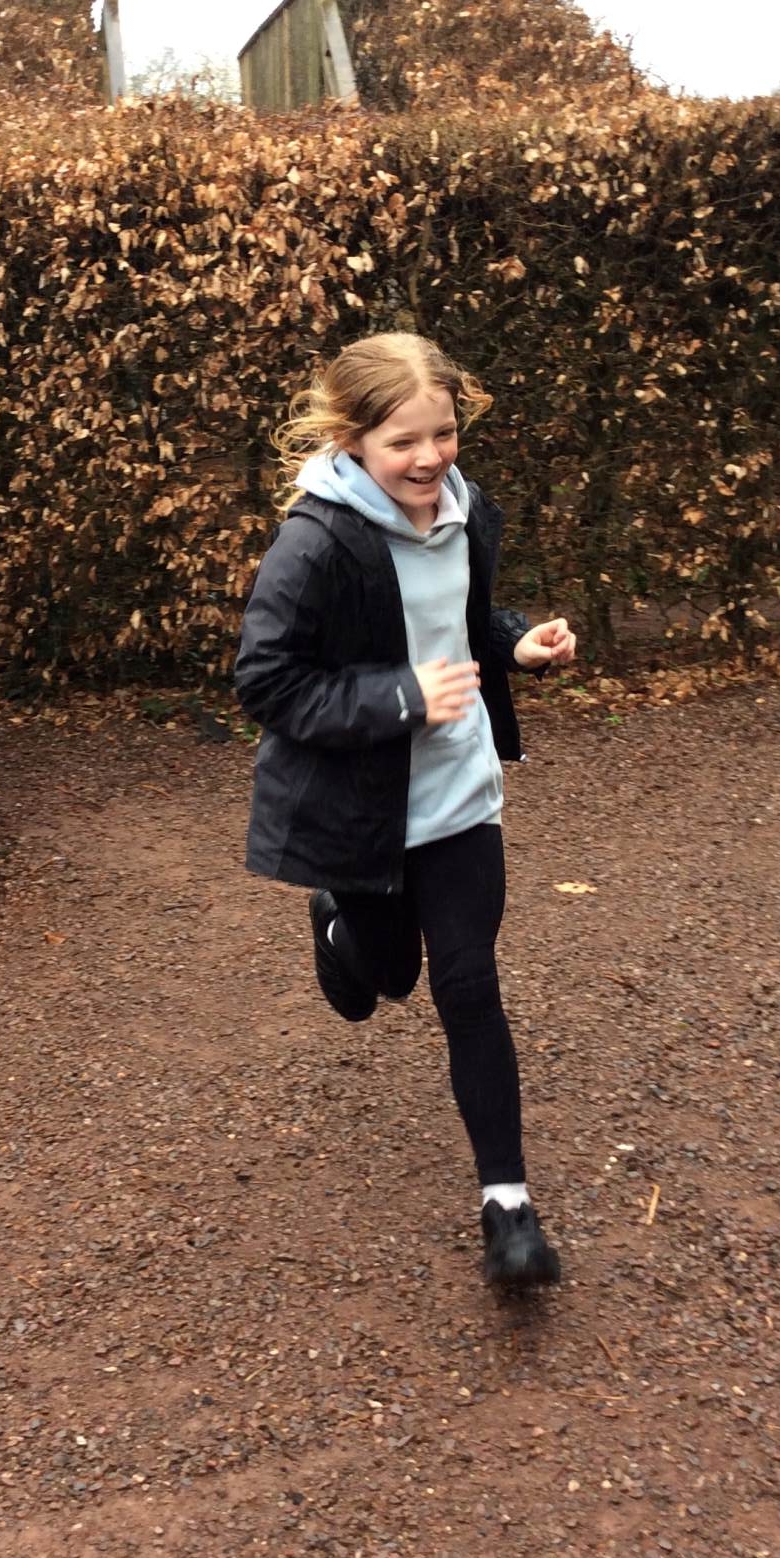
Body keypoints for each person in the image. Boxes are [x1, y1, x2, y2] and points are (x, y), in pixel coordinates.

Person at [234, 330, 577, 1289]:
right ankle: (339, 923)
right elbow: (266, 682)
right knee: (388, 979)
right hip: (367, 814)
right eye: (404, 442)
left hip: (461, 798)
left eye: (444, 433)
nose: (430, 458)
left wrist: (515, 646)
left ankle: (507, 1207)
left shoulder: (465, 511)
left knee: (469, 987)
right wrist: (402, 697)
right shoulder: (315, 542)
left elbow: (455, 624)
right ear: (351, 441)